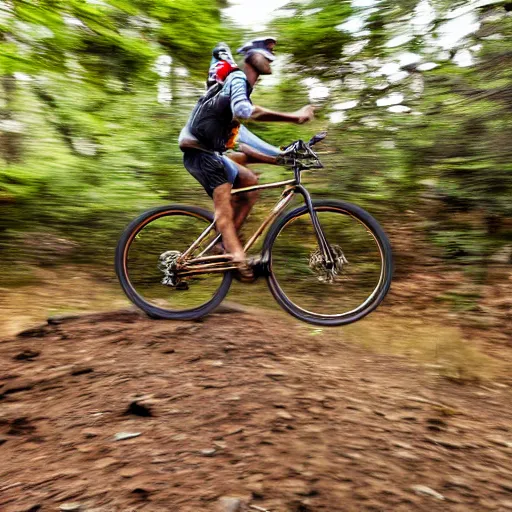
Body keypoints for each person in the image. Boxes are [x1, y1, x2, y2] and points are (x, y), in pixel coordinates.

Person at [178, 37, 314, 278]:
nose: (271, 54)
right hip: (201, 154)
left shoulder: (239, 89)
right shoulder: (238, 79)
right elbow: (245, 111)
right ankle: (237, 257)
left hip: (210, 153)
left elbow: (245, 139)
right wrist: (294, 117)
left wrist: (282, 155)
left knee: (250, 185)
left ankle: (223, 246)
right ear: (250, 57)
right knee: (223, 209)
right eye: (265, 51)